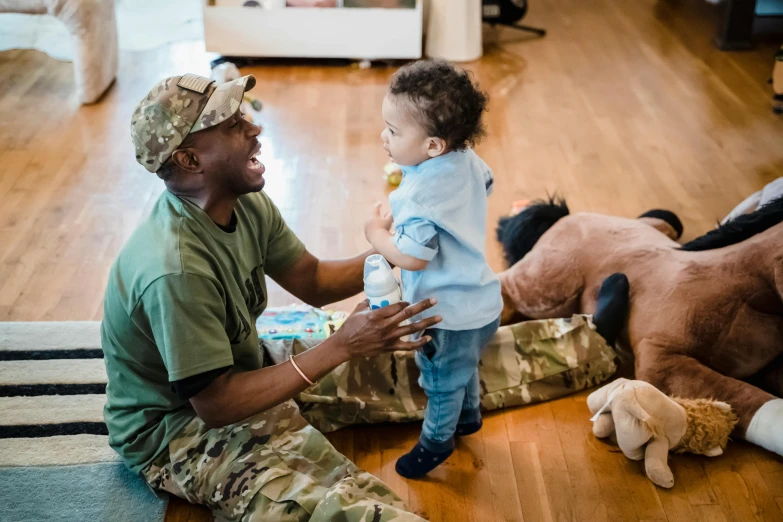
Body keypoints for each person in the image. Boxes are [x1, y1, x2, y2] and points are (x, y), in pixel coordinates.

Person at [101, 72, 441, 521]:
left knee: (436, 367)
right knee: (345, 511)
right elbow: (217, 404)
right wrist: (340, 347)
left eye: (243, 115)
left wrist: (396, 252)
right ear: (189, 159)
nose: (254, 128)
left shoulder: (240, 202)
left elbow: (313, 280)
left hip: (248, 370)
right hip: (180, 427)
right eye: (231, 125)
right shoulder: (174, 269)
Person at [365, 60, 502, 478]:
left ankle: (436, 442)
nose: (383, 136)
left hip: (446, 315)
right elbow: (487, 183)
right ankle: (469, 418)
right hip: (482, 302)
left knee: (441, 380)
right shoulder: (466, 158)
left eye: (394, 130)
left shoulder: (421, 197)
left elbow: (412, 257)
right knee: (465, 365)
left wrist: (376, 234)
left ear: (433, 146)